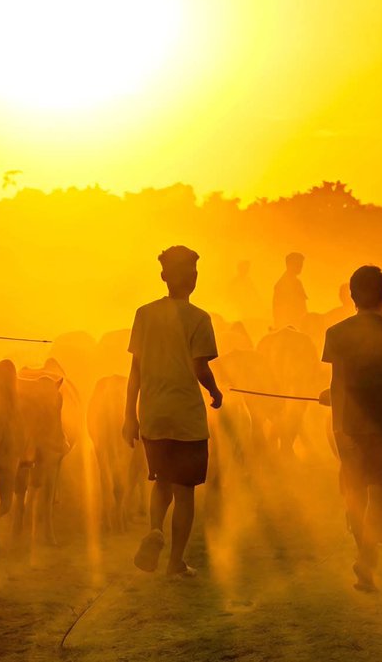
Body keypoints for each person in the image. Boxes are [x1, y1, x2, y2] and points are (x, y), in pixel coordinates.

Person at [124, 246, 222, 578]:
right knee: (185, 493)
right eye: (193, 270)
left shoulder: (144, 313)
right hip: (186, 418)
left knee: (161, 481)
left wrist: (129, 416)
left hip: (152, 414)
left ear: (164, 276)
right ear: (193, 278)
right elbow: (200, 366)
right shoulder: (199, 318)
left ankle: (155, 530)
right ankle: (175, 562)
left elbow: (135, 370)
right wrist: (215, 390)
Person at [322, 265, 382, 591]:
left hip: (349, 426)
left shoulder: (336, 332)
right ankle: (366, 557)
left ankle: (360, 540)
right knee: (380, 494)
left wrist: (337, 428)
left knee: (354, 491)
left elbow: (336, 386)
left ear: (352, 296)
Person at [272, 252, 309, 330]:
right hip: (289, 327)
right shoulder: (281, 284)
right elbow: (279, 311)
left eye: (301, 264)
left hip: (298, 325)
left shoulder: (297, 282)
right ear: (289, 265)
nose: (300, 267)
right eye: (298, 264)